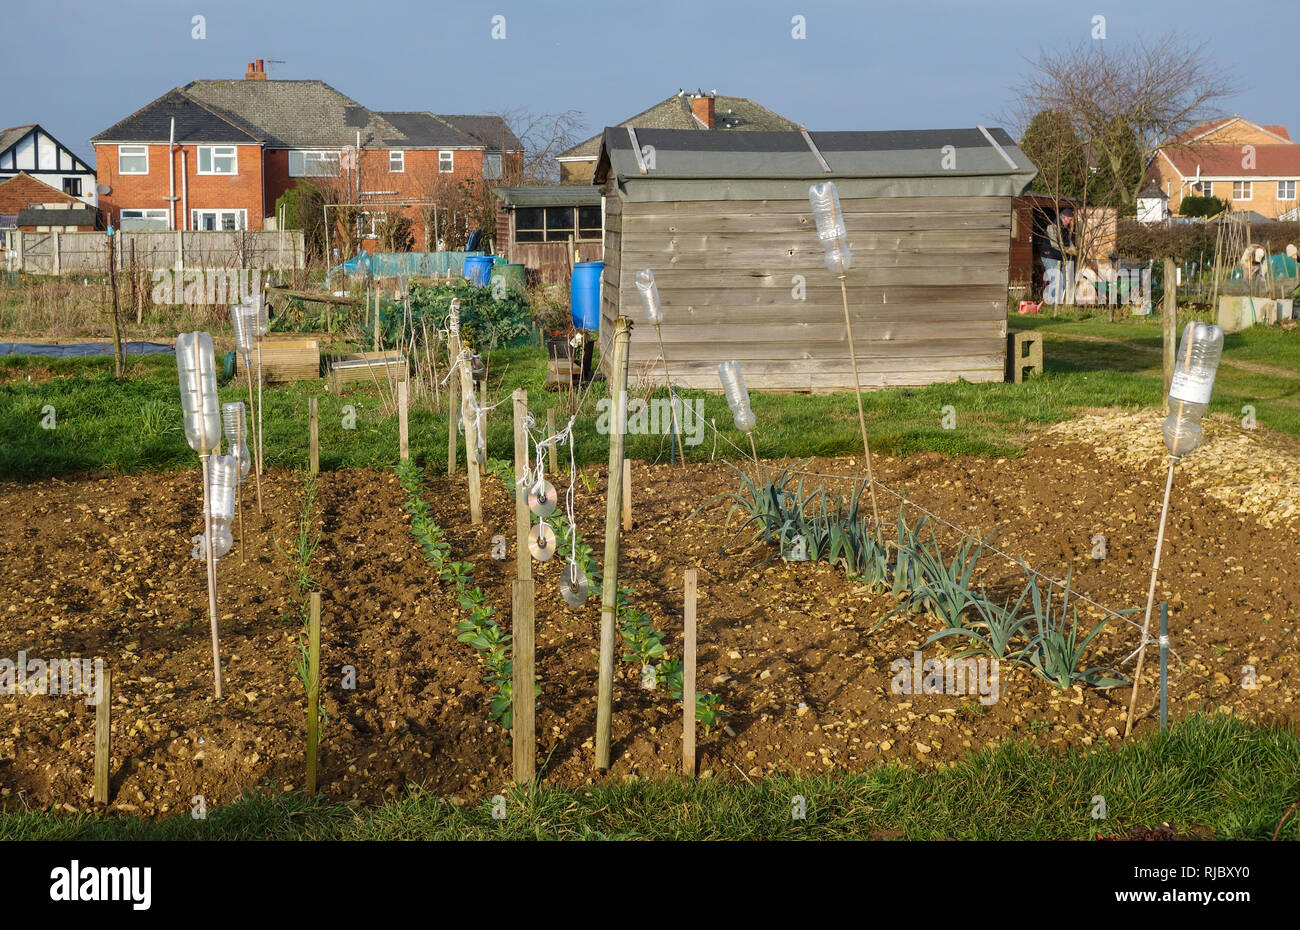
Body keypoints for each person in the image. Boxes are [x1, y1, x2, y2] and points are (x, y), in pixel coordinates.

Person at [1042, 207, 1078, 304]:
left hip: (1059, 257)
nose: (1068, 221)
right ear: (1062, 216)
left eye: (1070, 220)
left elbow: (1067, 240)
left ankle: (1058, 303)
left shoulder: (1064, 228)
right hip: (1049, 256)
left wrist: (1073, 248)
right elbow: (1054, 244)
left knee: (1063, 281)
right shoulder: (1052, 226)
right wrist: (1068, 250)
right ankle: (1052, 303)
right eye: (1067, 219)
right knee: (1056, 280)